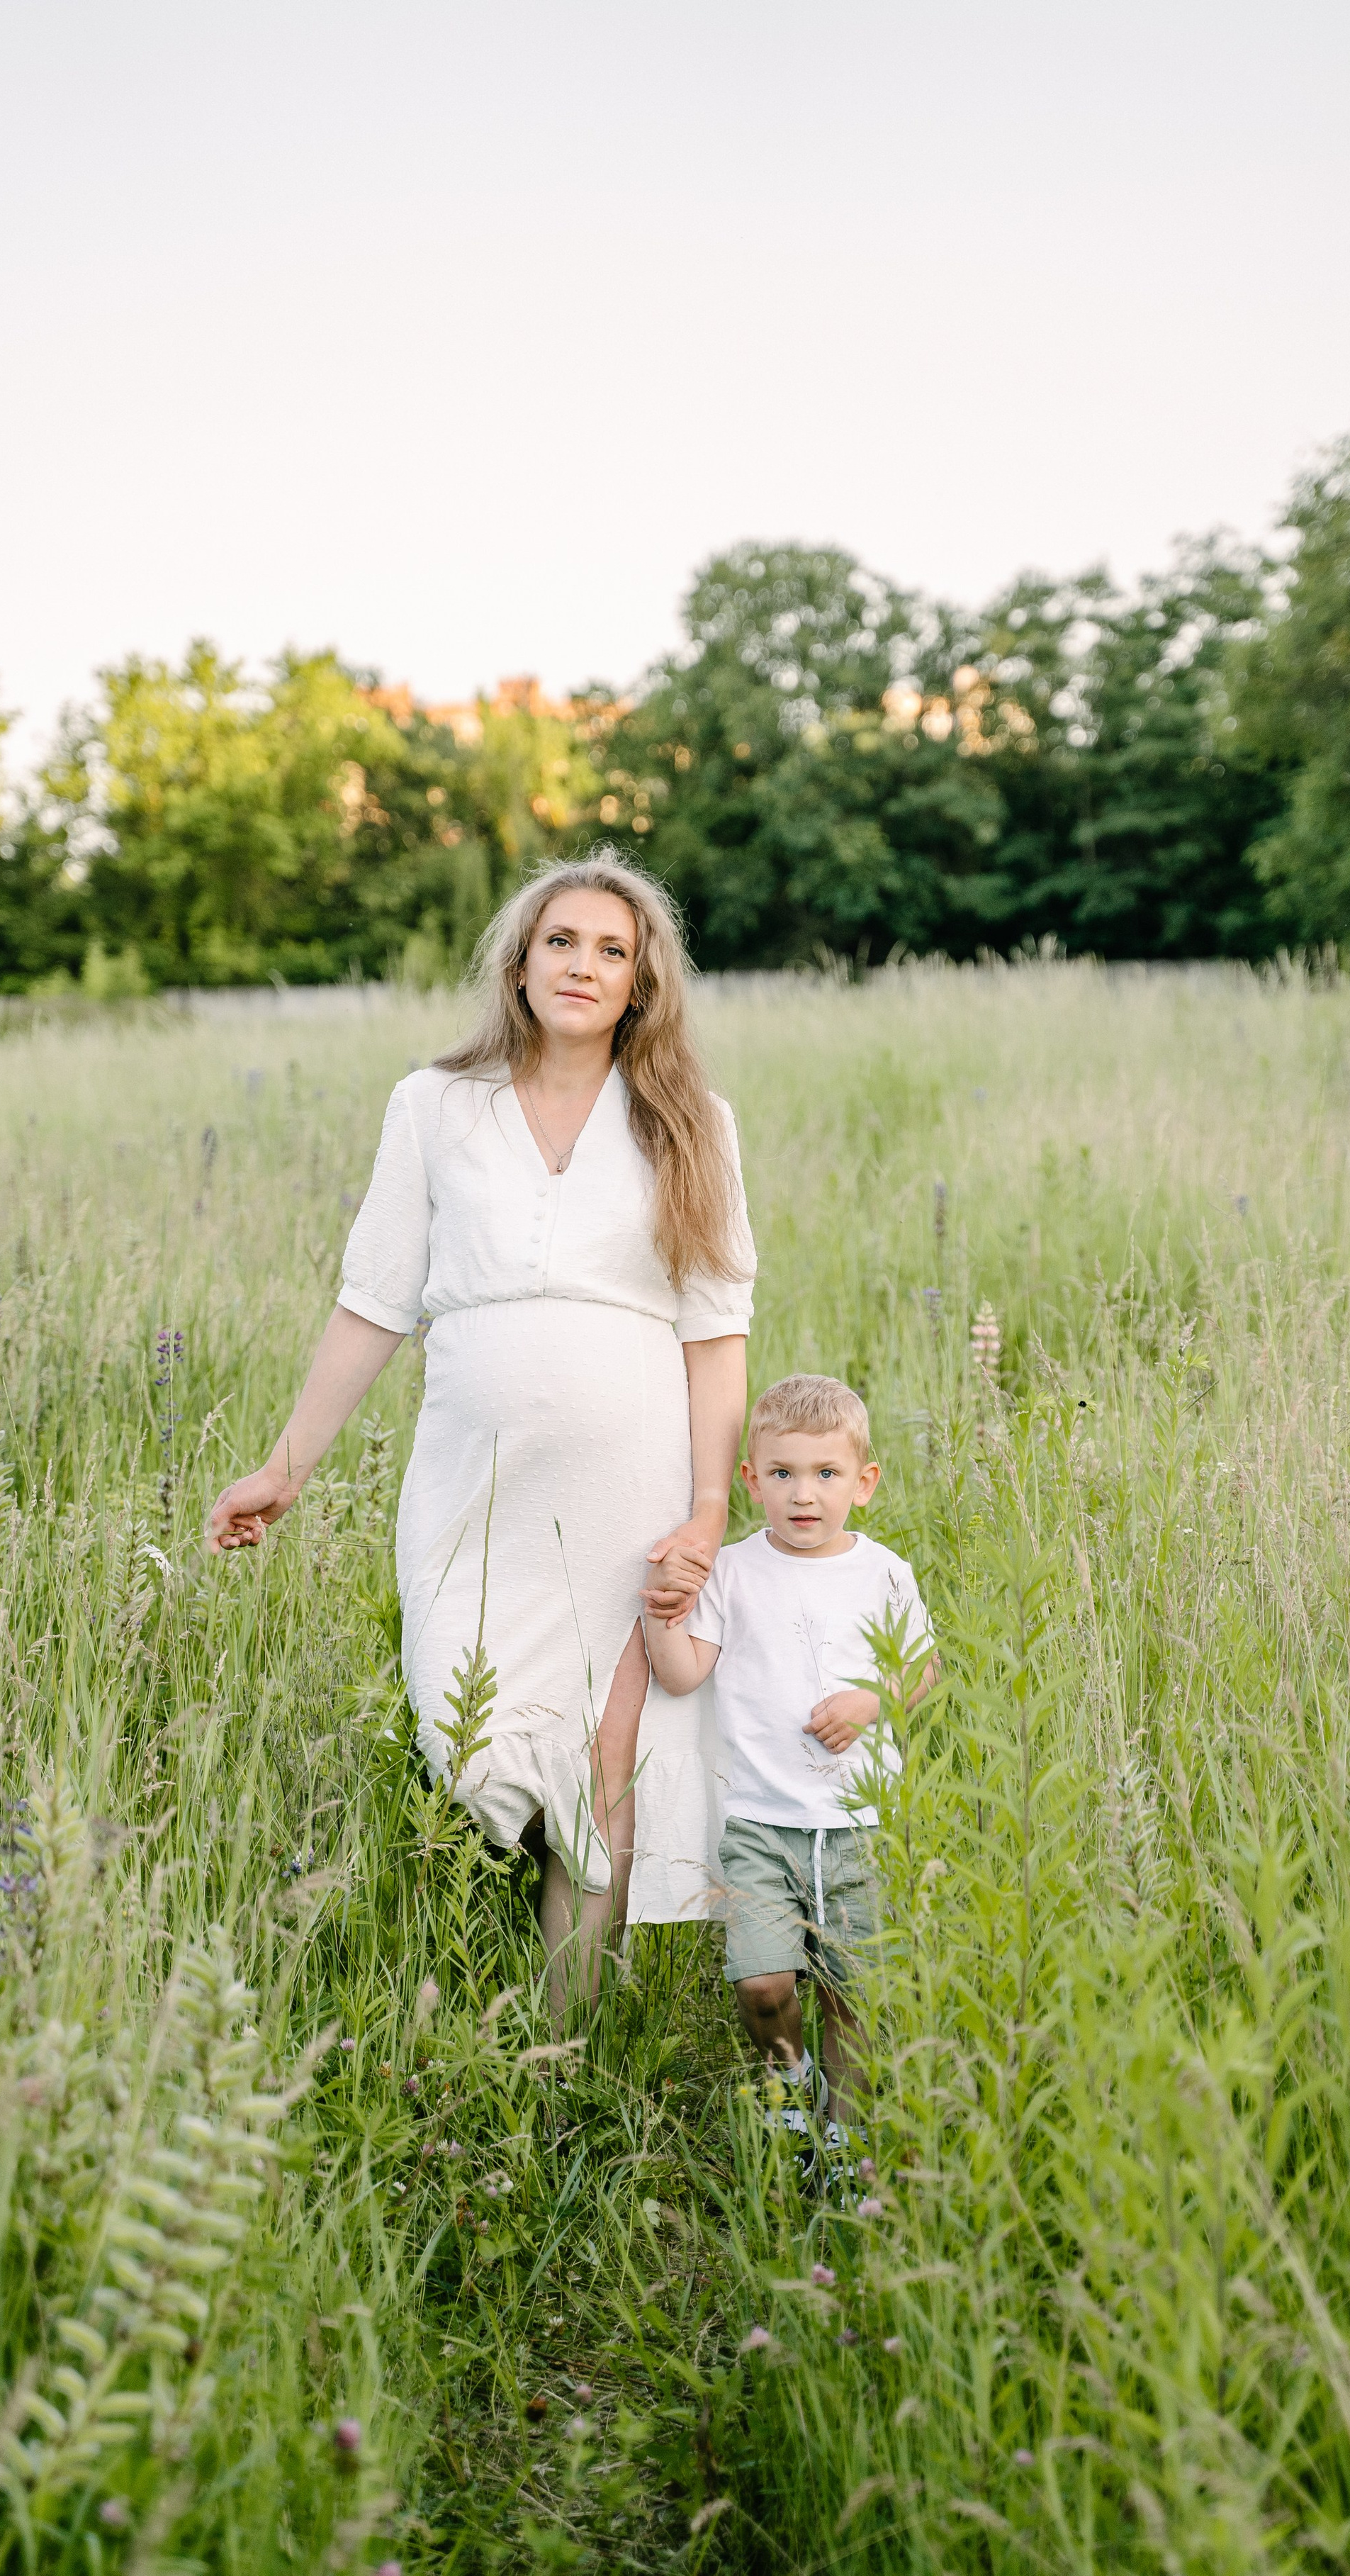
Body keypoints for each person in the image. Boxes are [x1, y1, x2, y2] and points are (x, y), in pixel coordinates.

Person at [206, 851, 756, 2018]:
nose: (584, 965)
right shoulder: (435, 1105)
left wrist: (709, 1510)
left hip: (633, 1489)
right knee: (466, 1736)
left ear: (645, 984)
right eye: (563, 941)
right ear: (519, 960)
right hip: (475, 1483)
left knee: (606, 1769)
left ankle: (566, 2044)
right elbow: (374, 1298)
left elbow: (715, 1333)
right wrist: (285, 1465)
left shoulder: (690, 1123)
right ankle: (477, 1956)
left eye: (614, 950)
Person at [641, 1373, 935, 2152]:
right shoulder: (735, 1572)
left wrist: (872, 1698)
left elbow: (921, 1669)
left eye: (826, 1474)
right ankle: (789, 2080)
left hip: (859, 1822)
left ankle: (842, 2137)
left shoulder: (883, 1572)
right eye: (782, 1474)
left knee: (851, 1992)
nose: (804, 1494)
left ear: (862, 1483)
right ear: (750, 1480)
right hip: (761, 1825)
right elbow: (680, 1674)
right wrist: (657, 1611)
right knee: (762, 1983)